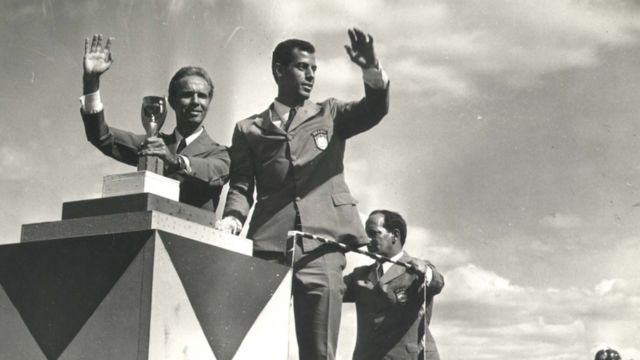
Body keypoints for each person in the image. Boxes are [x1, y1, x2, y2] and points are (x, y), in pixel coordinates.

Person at [215, 28, 390, 359]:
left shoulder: (331, 113)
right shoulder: (248, 128)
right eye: (301, 67)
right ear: (279, 70)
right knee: (257, 347)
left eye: (313, 69)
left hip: (323, 248)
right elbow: (241, 185)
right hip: (268, 247)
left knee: (319, 351)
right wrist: (233, 219)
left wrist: (371, 69)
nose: (310, 75)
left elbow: (374, 109)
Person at [80, 34, 230, 211]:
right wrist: (91, 82)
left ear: (209, 102)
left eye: (202, 96)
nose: (196, 101)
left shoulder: (221, 154)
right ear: (172, 102)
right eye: (187, 95)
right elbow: (101, 136)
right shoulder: (153, 144)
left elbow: (211, 172)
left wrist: (174, 160)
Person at [343, 210, 445, 360]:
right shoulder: (360, 275)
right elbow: (328, 288)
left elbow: (437, 282)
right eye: (366, 234)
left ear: (395, 235)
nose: (366, 240)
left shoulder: (416, 270)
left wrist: (425, 271)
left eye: (373, 233)